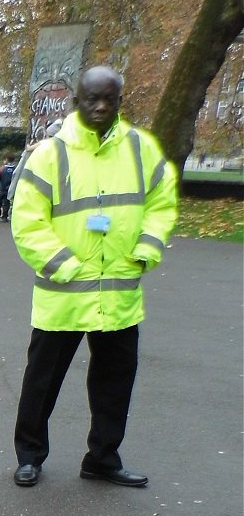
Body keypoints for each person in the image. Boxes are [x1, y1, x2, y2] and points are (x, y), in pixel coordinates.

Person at [10, 65, 177, 489]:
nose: (101, 107)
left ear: (120, 100)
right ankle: (29, 456)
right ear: (76, 102)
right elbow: (27, 221)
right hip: (63, 294)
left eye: (110, 99)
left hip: (119, 293)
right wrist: (65, 265)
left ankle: (103, 458)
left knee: (114, 384)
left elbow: (161, 203)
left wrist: (145, 252)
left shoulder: (141, 149)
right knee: (41, 383)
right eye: (92, 99)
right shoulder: (50, 154)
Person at [0, 154, 17, 222]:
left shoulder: (1, 168)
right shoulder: (15, 169)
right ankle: (4, 216)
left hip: (0, 189)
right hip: (9, 189)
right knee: (6, 204)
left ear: (6, 160)